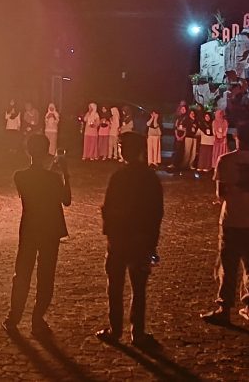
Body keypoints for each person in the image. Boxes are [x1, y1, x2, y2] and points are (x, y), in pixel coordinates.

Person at [95, 133, 163, 349]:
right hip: (141, 240)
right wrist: (152, 243)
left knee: (115, 286)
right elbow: (156, 213)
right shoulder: (150, 178)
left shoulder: (120, 177)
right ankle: (137, 333)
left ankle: (116, 330)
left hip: (120, 240)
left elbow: (108, 209)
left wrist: (110, 235)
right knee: (138, 287)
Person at [201, 124, 249, 324]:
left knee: (227, 265)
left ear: (237, 137)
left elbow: (220, 193)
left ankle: (224, 308)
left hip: (232, 219)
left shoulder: (226, 160)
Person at [3, 134, 71, 335]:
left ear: (28, 151)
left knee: (22, 273)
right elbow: (66, 199)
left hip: (30, 227)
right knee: (46, 274)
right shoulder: (54, 178)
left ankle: (13, 317)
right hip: (50, 228)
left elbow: (37, 183)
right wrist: (65, 173)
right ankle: (37, 318)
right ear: (47, 152)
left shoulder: (20, 176)